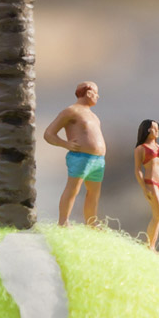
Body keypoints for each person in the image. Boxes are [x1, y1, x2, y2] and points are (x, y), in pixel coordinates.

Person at [44, 81, 106, 226]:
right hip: (81, 157)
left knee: (94, 192)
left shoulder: (94, 116)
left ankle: (91, 222)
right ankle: (63, 221)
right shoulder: (71, 111)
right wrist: (65, 144)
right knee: (73, 189)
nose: (97, 96)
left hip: (98, 160)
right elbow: (49, 134)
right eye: (96, 93)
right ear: (89, 93)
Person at [134, 119, 159, 250]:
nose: (157, 130)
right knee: (158, 214)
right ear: (147, 130)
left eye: (157, 128)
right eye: (153, 128)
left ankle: (152, 245)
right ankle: (149, 245)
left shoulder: (158, 146)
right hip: (151, 182)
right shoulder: (140, 149)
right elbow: (137, 170)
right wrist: (144, 188)